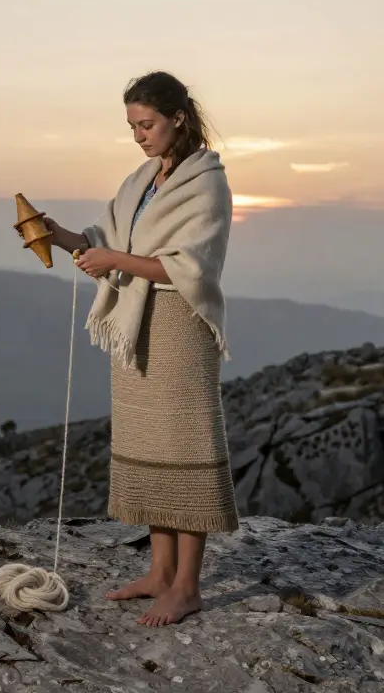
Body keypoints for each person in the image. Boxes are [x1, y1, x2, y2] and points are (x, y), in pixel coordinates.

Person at [39, 71, 238, 627]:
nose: (138, 136)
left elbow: (190, 268)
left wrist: (114, 263)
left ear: (178, 116)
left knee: (185, 446)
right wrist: (59, 235)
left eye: (146, 124)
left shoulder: (206, 182)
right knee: (148, 444)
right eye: (131, 126)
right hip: (135, 324)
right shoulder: (141, 180)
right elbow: (105, 243)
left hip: (180, 323)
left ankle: (188, 586)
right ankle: (158, 572)